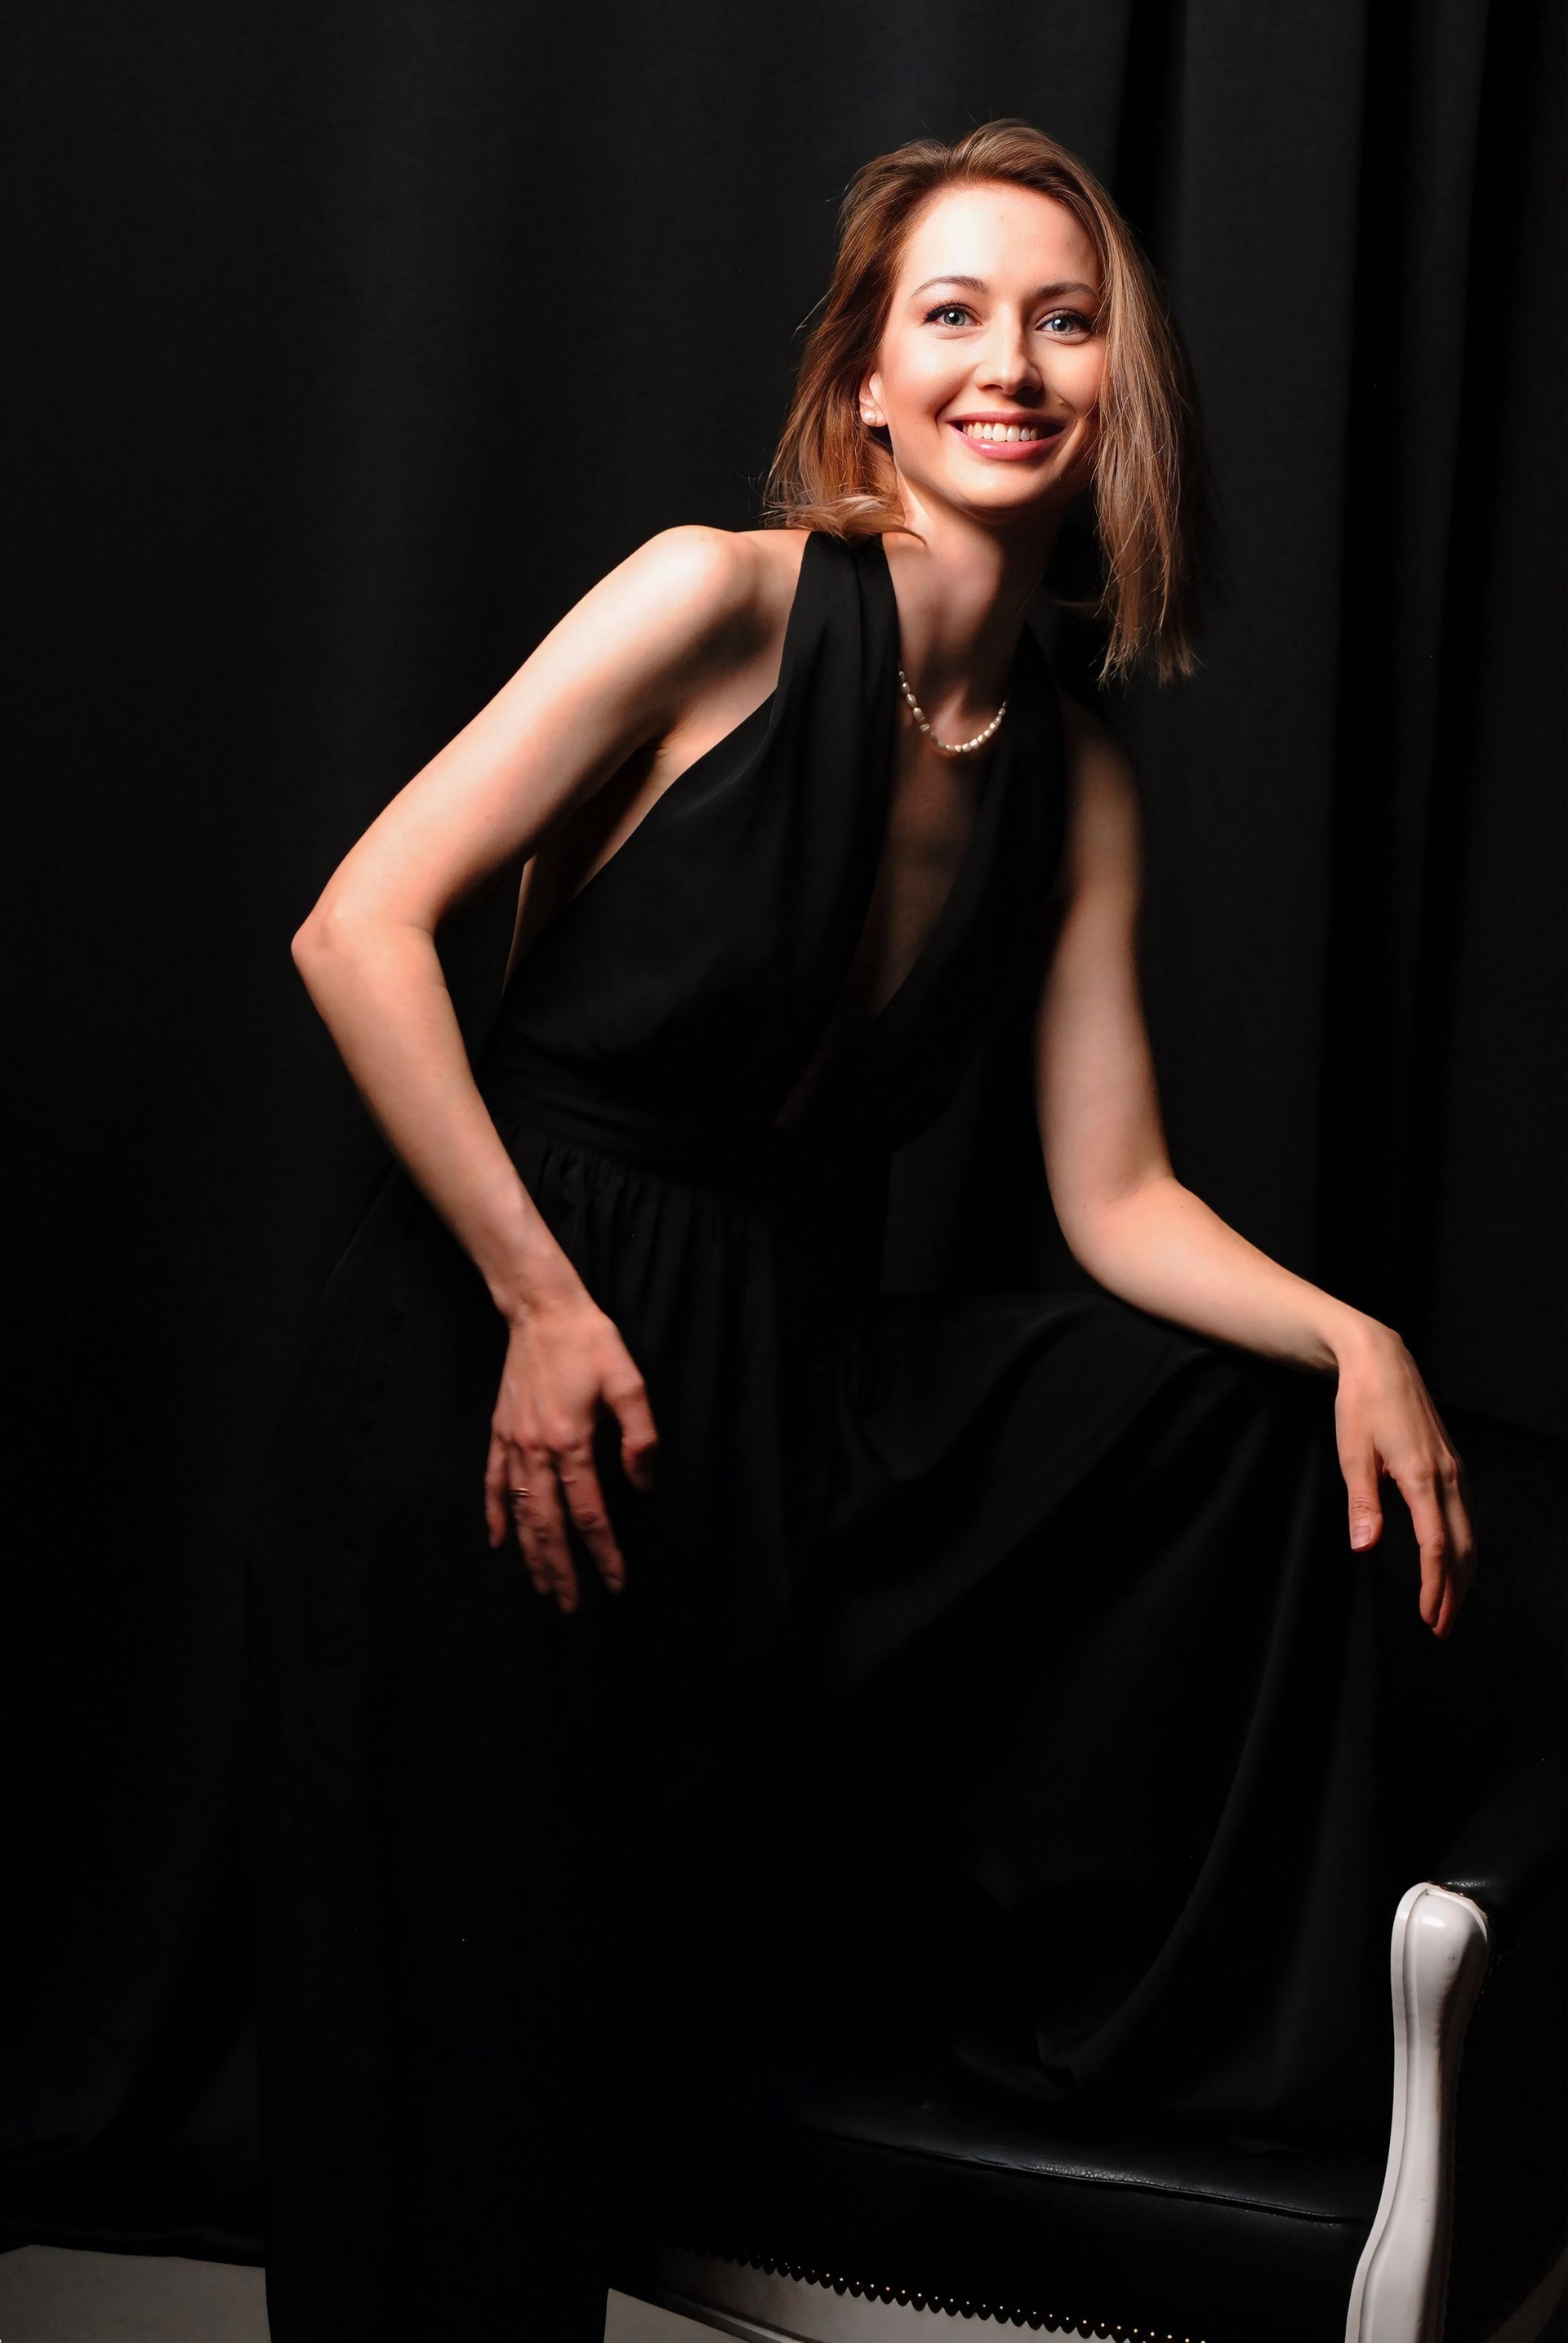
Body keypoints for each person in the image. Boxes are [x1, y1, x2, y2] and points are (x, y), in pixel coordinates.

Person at [254, 119, 1475, 2342]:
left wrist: (1353, 1336)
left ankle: (1348, 2040)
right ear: (867, 387)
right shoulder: (713, 599)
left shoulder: (1072, 771)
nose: (1012, 362)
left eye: (1065, 319)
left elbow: (1114, 1197)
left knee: (594, 2037)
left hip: (761, 1380)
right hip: (502, 1329)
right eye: (955, 313)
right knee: (449, 2033)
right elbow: (362, 929)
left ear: (1117, 385)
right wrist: (536, 1299)